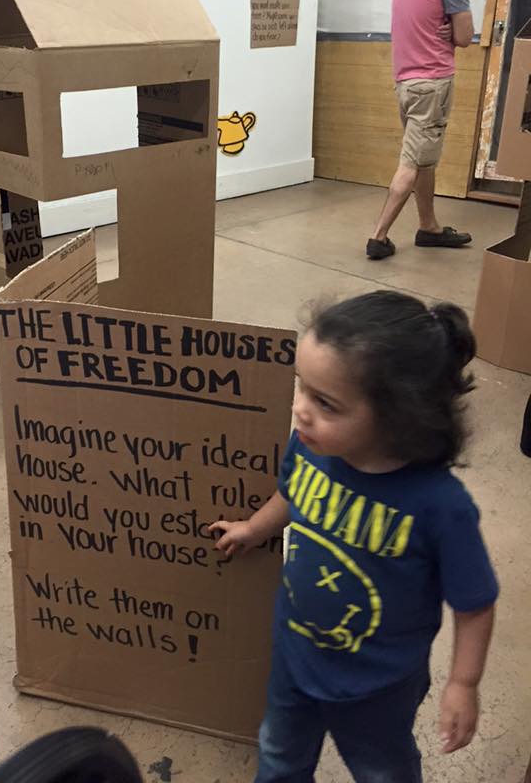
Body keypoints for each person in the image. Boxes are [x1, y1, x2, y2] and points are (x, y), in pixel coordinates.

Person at [211, 291, 498, 783]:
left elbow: (474, 605)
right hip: (295, 659)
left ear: (400, 415)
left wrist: (463, 683)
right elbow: (292, 496)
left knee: (381, 770)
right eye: (302, 387)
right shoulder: (309, 445)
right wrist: (255, 528)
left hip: (378, 688)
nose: (300, 411)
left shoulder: (440, 507)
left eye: (325, 402)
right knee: (279, 755)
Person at [367, 0, 478, 260]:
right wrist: (452, 27)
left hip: (406, 82)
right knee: (412, 163)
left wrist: (442, 23)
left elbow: (421, 18)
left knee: (424, 158)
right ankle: (379, 237)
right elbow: (463, 37)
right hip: (433, 84)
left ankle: (428, 226)